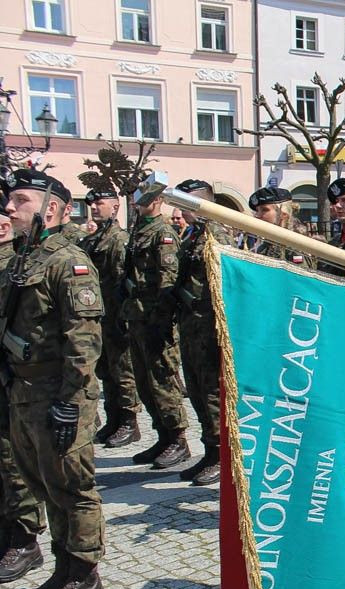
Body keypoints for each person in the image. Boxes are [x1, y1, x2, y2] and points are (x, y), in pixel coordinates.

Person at [0, 169, 106, 589]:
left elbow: (84, 340)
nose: (9, 207)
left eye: (20, 200)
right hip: (23, 390)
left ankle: (85, 575)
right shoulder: (22, 259)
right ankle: (62, 569)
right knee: (42, 483)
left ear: (54, 208)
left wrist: (71, 399)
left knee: (72, 487)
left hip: (60, 394)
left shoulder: (70, 261)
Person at [170, 180, 236, 486]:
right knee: (196, 390)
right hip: (192, 326)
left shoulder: (216, 233)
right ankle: (210, 452)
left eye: (185, 204)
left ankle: (221, 455)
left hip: (210, 327)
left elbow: (225, 283)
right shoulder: (193, 235)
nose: (180, 211)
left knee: (211, 393)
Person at [121, 184, 191, 470]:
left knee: (162, 380)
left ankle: (178, 438)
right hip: (137, 317)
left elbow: (168, 278)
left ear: (158, 200)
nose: (139, 202)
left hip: (156, 318)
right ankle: (163, 435)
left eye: (146, 197)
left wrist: (162, 320)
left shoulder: (162, 234)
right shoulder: (139, 230)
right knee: (144, 381)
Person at [0, 192, 49, 586]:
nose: (11, 211)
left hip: (21, 378)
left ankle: (24, 536)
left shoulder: (15, 264)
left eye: (18, 202)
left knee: (11, 458)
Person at [80, 187, 141, 448]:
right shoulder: (94, 239)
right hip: (100, 316)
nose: (94, 207)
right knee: (106, 370)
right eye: (91, 204)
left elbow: (122, 280)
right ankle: (113, 418)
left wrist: (124, 317)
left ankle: (129, 422)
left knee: (122, 370)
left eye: (100, 203)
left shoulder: (118, 239)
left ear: (115, 206)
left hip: (116, 314)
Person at [247, 187, 311, 268]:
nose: (257, 215)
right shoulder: (267, 244)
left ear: (283, 214)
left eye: (264, 210)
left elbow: (299, 278)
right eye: (257, 210)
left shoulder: (294, 245)